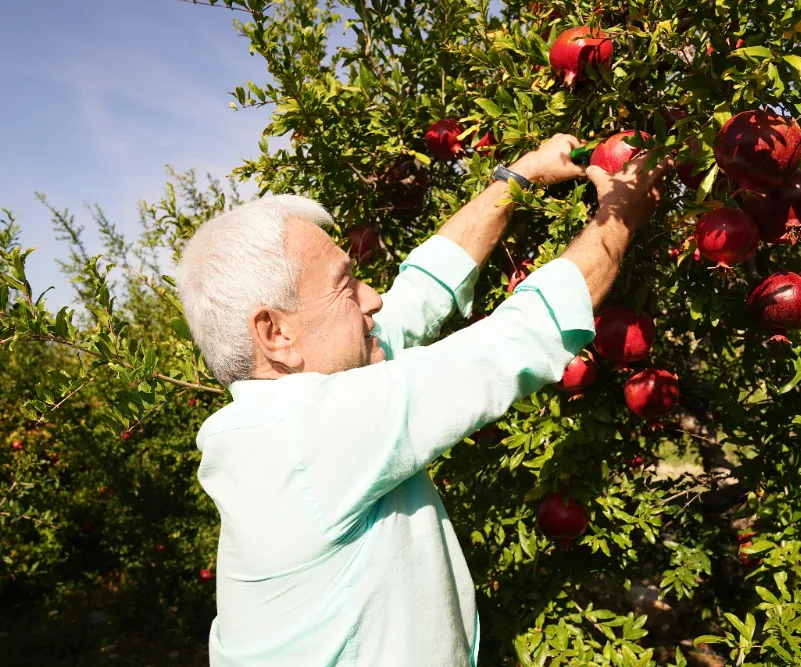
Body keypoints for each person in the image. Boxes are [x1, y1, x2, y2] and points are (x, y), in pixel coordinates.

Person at [175, 134, 671, 666]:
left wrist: (519, 177)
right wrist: (619, 214)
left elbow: (416, 295)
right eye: (347, 285)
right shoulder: (306, 434)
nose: (374, 298)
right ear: (275, 334)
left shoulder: (279, 419)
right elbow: (512, 342)